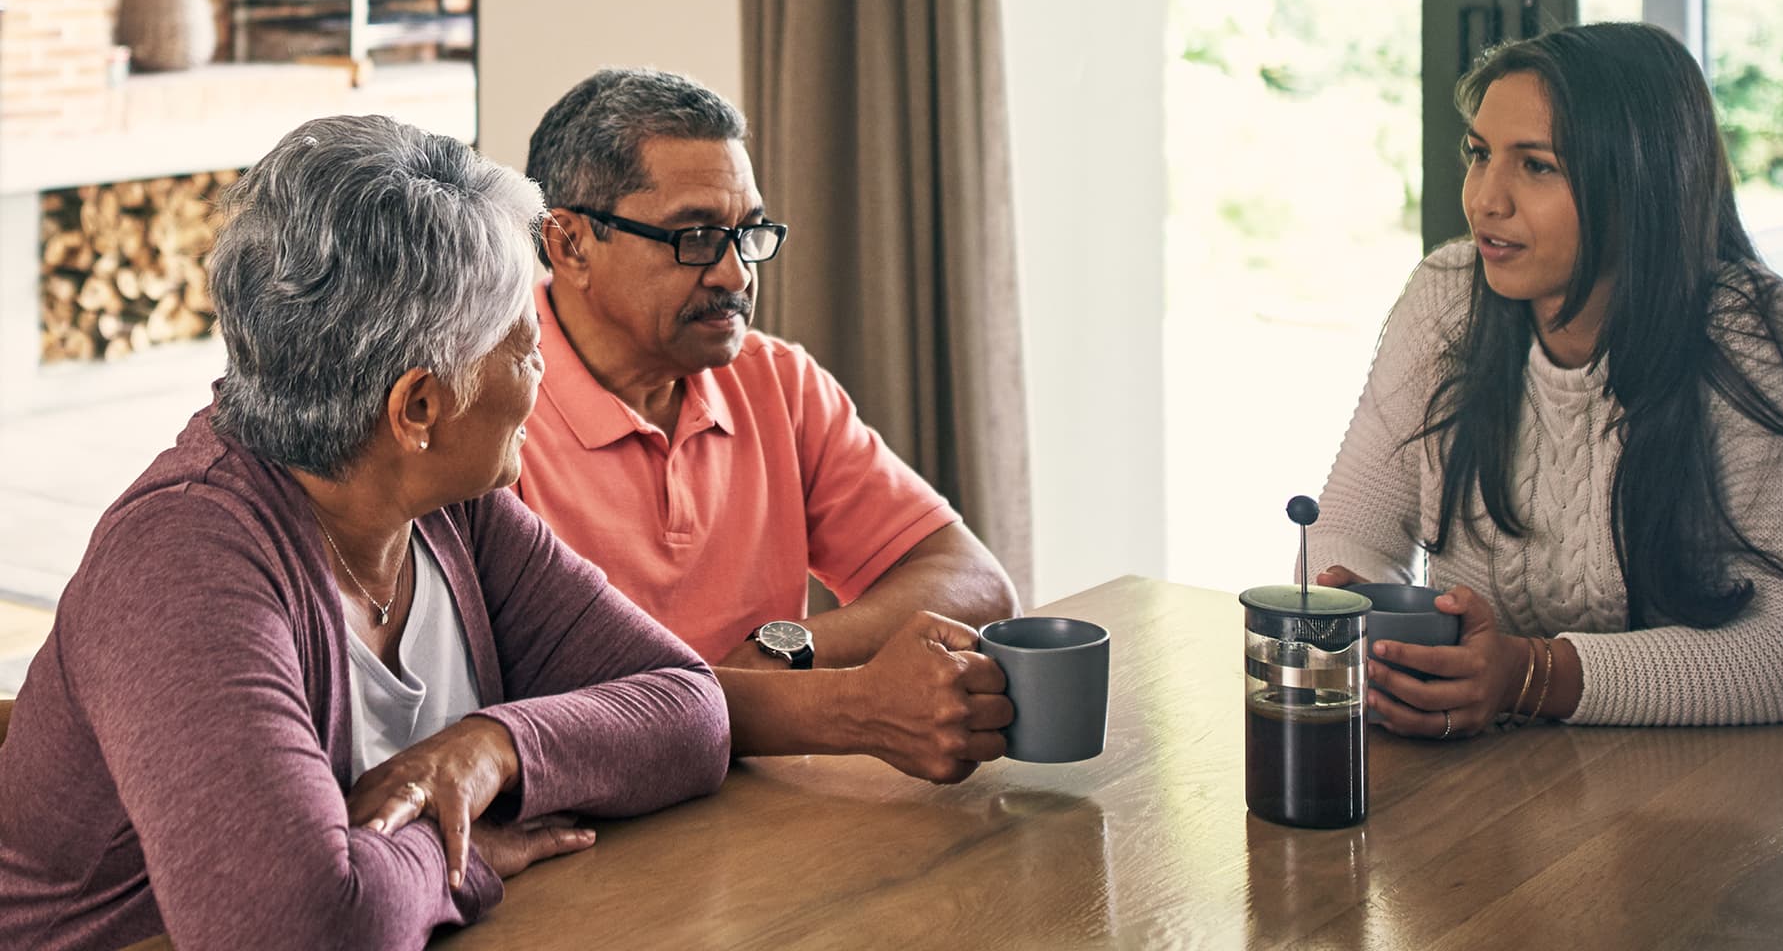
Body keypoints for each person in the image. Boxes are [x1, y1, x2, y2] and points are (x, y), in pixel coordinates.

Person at [0, 117, 731, 951]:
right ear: (418, 408)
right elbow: (292, 926)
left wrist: (488, 750)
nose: (542, 372)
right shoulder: (180, 567)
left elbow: (689, 707)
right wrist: (455, 855)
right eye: (524, 349)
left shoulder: (451, 510)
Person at [1310, 22, 1783, 737]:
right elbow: (1346, 531)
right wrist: (1369, 617)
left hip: (1697, 798)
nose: (1485, 201)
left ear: (1640, 183)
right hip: (1489, 779)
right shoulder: (1449, 293)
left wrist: (1531, 674)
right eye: (1479, 155)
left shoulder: (1746, 329)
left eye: (1536, 166)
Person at [516, 67, 1019, 784]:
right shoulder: (487, 412)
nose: (734, 275)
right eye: (693, 237)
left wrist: (789, 649)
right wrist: (846, 707)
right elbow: (550, 707)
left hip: (772, 814)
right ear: (567, 244)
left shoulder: (775, 380)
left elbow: (972, 581)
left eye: (747, 234)